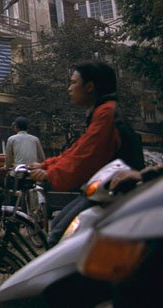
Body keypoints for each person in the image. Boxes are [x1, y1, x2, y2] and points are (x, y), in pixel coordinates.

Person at [29, 61, 144, 246]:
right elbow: (78, 149)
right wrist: (46, 165)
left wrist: (50, 174)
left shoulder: (106, 113)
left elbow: (87, 156)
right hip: (106, 189)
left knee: (58, 234)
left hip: (115, 190)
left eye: (73, 82)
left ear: (90, 86)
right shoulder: (102, 111)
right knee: (59, 224)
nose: (69, 88)